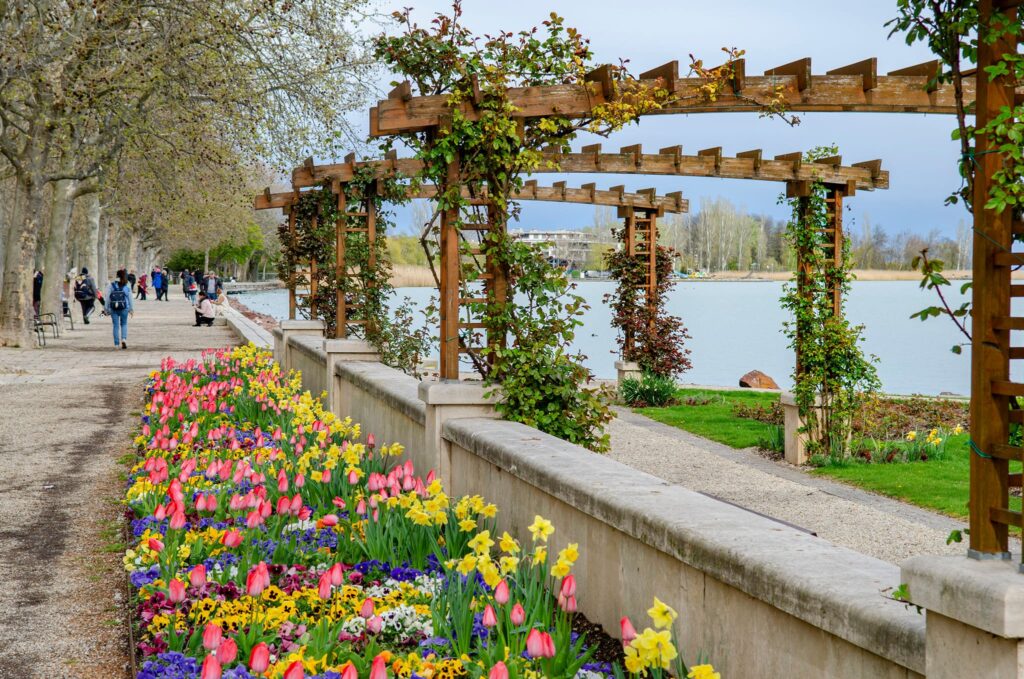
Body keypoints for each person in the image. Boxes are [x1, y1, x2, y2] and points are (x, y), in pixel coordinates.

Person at [105, 268, 134, 349]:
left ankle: (116, 344)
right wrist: (131, 309)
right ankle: (124, 339)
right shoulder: (127, 284)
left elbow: (107, 298)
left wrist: (106, 309)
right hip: (124, 308)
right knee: (124, 324)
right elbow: (130, 297)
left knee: (115, 326)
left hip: (113, 308)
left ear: (117, 276)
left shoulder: (111, 285)